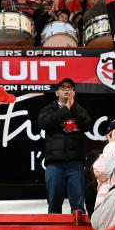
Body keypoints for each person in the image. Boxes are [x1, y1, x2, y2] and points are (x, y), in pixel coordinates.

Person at [37, 78, 92, 214]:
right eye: (63, 87)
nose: (67, 90)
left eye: (70, 88)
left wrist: (73, 107)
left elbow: (87, 124)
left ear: (74, 92)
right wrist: (66, 109)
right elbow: (44, 122)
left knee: (78, 205)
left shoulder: (78, 109)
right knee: (54, 204)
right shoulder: (49, 109)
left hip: (75, 164)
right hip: (54, 164)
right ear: (57, 93)